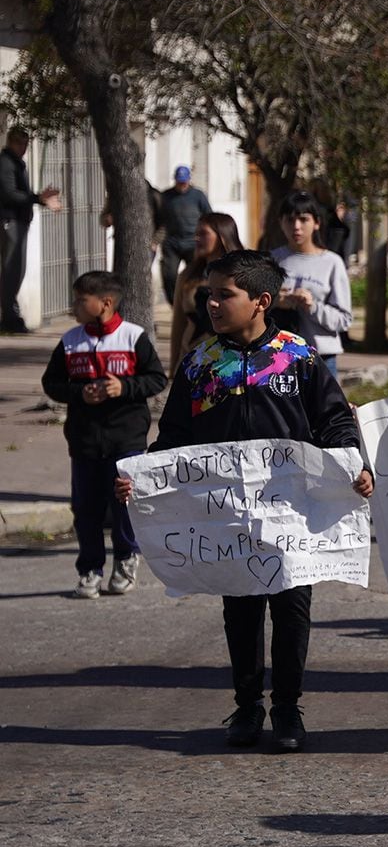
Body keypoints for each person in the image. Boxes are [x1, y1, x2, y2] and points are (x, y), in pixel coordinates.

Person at [120, 249, 375, 752]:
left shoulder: (298, 357)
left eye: (223, 295)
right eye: (208, 295)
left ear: (261, 301)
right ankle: (246, 706)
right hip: (228, 521)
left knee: (292, 608)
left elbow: (335, 421)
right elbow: (173, 436)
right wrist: (144, 478)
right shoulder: (200, 363)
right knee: (240, 608)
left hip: (293, 517)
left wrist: (355, 466)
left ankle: (287, 709)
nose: (212, 305)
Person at [42, 271, 167, 600]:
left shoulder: (132, 337)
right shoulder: (70, 341)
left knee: (123, 506)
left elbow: (156, 379)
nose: (75, 307)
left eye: (81, 300)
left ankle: (126, 559)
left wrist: (123, 387)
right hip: (84, 441)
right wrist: (79, 393)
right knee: (86, 508)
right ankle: (89, 569)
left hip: (125, 440)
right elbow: (51, 384)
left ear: (106, 303)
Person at [269, 191, 353, 374]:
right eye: (289, 220)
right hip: (278, 357)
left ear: (316, 223)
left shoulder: (332, 262)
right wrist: (276, 302)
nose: (296, 227)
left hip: (321, 358)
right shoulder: (271, 260)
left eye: (303, 219)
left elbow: (344, 320)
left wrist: (312, 306)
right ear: (280, 222)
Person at [0, 126, 63, 332]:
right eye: (21, 143)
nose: (24, 148)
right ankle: (9, 317)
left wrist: (38, 199)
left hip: (19, 222)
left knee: (16, 271)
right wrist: (38, 198)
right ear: (11, 142)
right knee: (12, 271)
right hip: (11, 222)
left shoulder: (17, 164)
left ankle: (11, 313)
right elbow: (9, 194)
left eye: (26, 144)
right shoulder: (6, 163)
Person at [169, 212, 244, 370]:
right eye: (195, 234)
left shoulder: (243, 272)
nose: (197, 239)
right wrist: (174, 364)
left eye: (203, 234)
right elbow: (179, 323)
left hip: (230, 362)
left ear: (222, 236)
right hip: (192, 360)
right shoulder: (188, 275)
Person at [156, 166, 213, 304]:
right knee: (169, 275)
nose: (182, 185)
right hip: (172, 242)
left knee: (196, 276)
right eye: (179, 182)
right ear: (175, 180)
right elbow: (158, 219)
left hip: (193, 242)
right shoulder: (166, 196)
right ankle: (175, 304)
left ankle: (195, 304)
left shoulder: (198, 195)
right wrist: (155, 239)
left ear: (189, 180)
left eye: (184, 182)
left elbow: (209, 216)